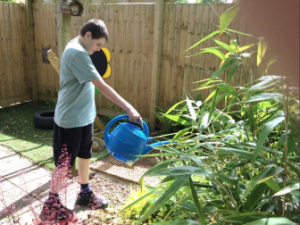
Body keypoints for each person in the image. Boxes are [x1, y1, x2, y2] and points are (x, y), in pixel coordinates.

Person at [40, 19, 143, 223]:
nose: (98, 50)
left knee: (85, 154)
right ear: (88, 35)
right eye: (98, 45)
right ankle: (51, 204)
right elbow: (102, 86)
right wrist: (129, 108)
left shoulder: (81, 49)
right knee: (64, 163)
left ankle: (85, 193)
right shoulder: (76, 53)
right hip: (70, 119)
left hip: (84, 116)